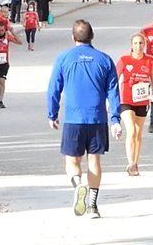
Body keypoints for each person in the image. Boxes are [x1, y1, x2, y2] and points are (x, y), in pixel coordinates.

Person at [47, 20, 122, 218]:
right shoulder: (105, 60)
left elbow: (54, 88)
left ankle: (78, 185)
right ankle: (92, 206)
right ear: (92, 36)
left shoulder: (64, 59)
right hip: (97, 118)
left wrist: (52, 114)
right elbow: (114, 92)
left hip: (73, 118)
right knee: (94, 160)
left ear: (73, 37)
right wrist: (115, 119)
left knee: (72, 161)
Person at [116, 33, 153, 176]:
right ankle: (130, 163)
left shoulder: (150, 60)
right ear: (131, 45)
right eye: (135, 43)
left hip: (142, 101)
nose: (138, 46)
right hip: (126, 100)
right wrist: (111, 97)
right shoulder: (124, 60)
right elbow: (114, 78)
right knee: (131, 131)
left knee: (138, 133)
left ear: (145, 45)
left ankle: (136, 163)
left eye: (141, 43)